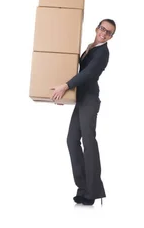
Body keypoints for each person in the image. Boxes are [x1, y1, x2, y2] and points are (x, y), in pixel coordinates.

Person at [51, 19, 116, 206]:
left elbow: (87, 74)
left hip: (90, 100)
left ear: (111, 37)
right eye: (102, 29)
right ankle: (83, 187)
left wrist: (65, 87)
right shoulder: (91, 47)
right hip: (81, 99)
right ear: (97, 28)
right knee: (72, 140)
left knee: (88, 142)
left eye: (109, 32)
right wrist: (66, 95)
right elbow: (76, 71)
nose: (104, 33)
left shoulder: (103, 52)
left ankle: (93, 191)